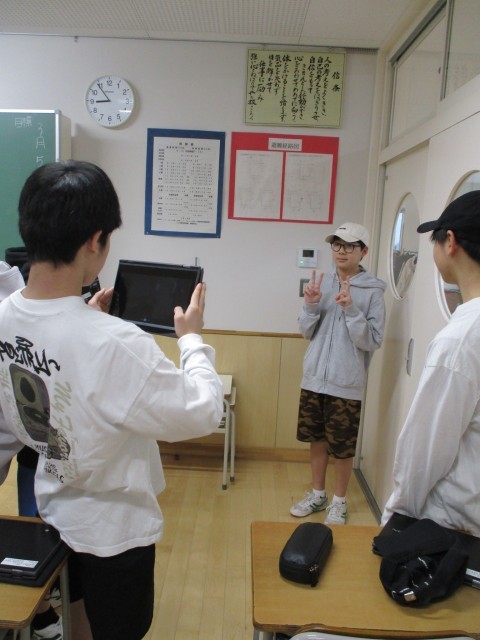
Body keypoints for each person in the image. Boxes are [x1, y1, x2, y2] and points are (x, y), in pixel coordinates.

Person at [0, 160, 224, 640]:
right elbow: (205, 410)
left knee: (76, 618)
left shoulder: (4, 316)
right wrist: (191, 340)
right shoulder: (117, 343)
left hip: (54, 512)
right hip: (116, 532)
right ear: (95, 241)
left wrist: (84, 317)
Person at [382, 191, 480, 537]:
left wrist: (394, 518)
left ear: (450, 242)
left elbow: (423, 452)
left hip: (453, 526)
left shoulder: (461, 339)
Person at [290, 222, 386, 524]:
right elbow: (306, 332)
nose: (341, 251)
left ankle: (340, 501)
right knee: (316, 440)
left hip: (346, 383)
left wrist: (351, 310)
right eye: (337, 244)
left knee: (342, 448)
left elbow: (372, 340)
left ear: (363, 251)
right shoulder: (322, 282)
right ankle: (318, 495)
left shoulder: (373, 291)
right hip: (314, 379)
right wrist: (310, 304)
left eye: (349, 246)